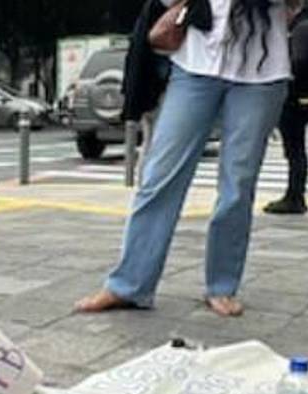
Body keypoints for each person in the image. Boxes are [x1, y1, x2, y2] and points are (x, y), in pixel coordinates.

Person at [76, 0, 293, 318]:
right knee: (159, 175)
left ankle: (222, 286)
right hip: (196, 64)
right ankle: (129, 285)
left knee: (238, 185)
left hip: (261, 71)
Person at [263, 0, 308, 214]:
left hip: (297, 97)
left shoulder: (305, 27)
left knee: (294, 150)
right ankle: (294, 195)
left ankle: (295, 196)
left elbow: (299, 60)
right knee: (295, 150)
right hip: (305, 96)